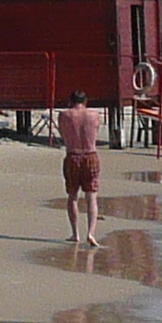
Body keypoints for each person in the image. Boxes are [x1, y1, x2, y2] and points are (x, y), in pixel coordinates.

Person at [56, 92, 102, 247]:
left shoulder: (65, 115)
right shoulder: (95, 115)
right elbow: (95, 131)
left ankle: (75, 234)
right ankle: (91, 233)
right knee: (91, 197)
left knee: (72, 196)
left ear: (70, 101)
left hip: (73, 155)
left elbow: (63, 134)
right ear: (86, 101)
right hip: (90, 155)